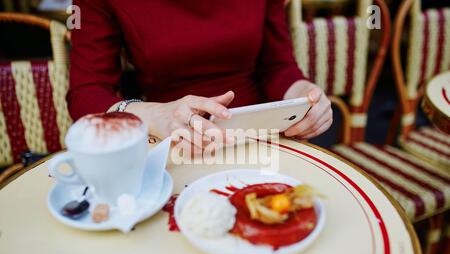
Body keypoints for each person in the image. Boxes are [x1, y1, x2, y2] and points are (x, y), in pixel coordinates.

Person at [68, 0, 332, 152]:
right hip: (170, 141)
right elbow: (87, 92)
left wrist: (303, 95)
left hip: (259, 136)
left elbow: (277, 66)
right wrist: (156, 115)